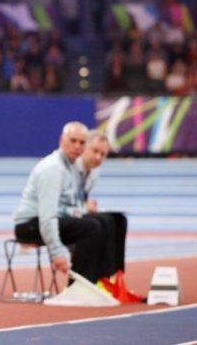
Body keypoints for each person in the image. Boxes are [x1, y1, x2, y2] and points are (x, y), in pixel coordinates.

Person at [13, 121, 108, 283]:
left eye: (82, 142)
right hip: (29, 225)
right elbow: (47, 216)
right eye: (73, 141)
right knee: (91, 227)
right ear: (61, 140)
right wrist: (57, 253)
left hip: (43, 221)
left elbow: (66, 207)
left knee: (105, 221)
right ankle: (78, 285)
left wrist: (80, 211)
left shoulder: (70, 168)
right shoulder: (54, 168)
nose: (77, 146)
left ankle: (103, 280)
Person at [78, 130, 144, 302]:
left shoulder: (93, 172)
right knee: (101, 223)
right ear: (85, 147)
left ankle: (115, 276)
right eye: (95, 151)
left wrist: (86, 205)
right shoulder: (70, 166)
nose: (99, 157)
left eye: (103, 154)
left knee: (118, 220)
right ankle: (94, 279)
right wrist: (83, 206)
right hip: (61, 218)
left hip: (76, 213)